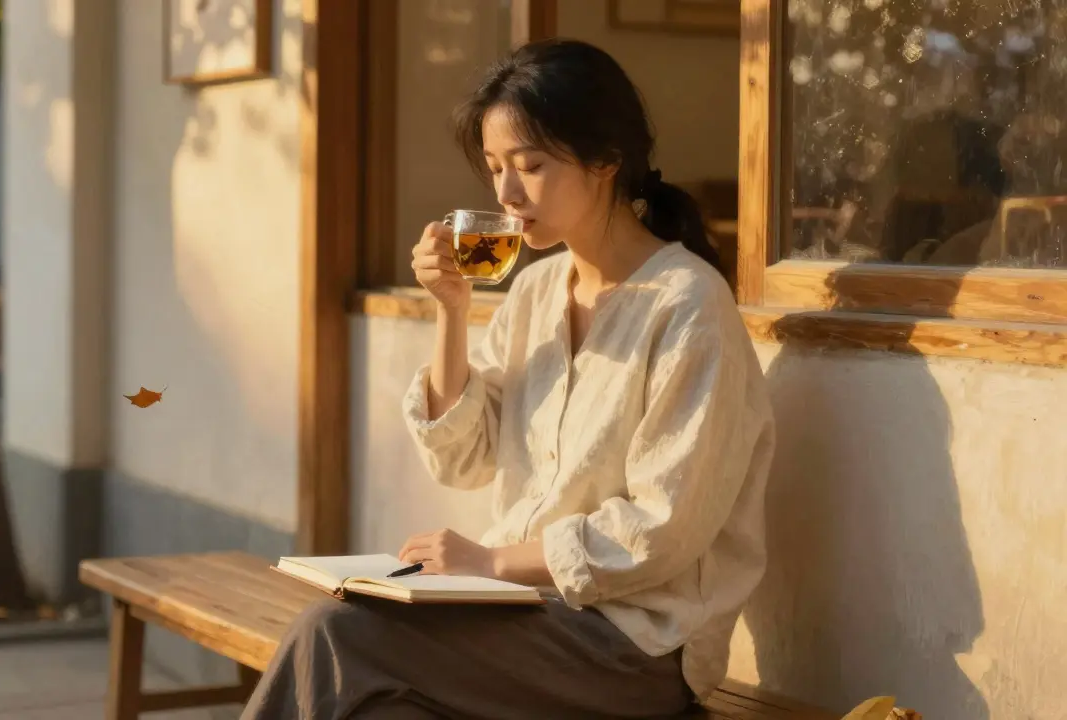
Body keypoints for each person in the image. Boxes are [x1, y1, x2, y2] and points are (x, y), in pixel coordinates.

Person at [242, 38, 776, 719]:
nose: (506, 192)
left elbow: (658, 530)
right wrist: (452, 313)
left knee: (334, 633)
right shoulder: (535, 292)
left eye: (531, 165)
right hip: (525, 624)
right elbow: (463, 457)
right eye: (495, 167)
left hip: (635, 651)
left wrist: (491, 563)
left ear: (606, 161)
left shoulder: (689, 307)